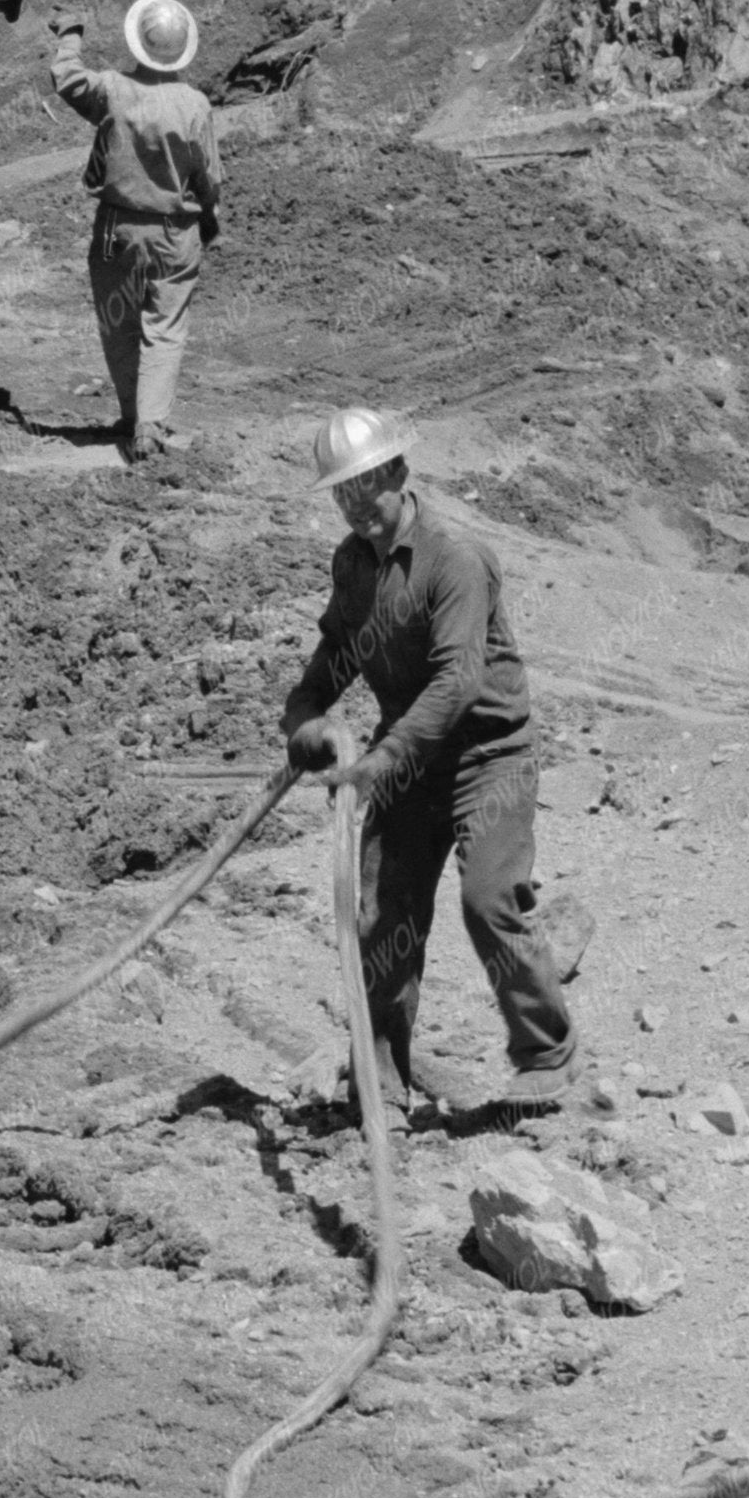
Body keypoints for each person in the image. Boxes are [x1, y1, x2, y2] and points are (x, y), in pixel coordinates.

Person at [280, 401, 577, 1118]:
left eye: (367, 486)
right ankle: (381, 1082)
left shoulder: (455, 558)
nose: (357, 506)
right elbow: (334, 657)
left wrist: (379, 761)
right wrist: (304, 716)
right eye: (342, 493)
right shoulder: (353, 565)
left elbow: (457, 682)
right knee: (383, 914)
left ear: (399, 472)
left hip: (487, 752)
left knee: (489, 899)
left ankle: (545, 1053)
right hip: (410, 761)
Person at [43, 0, 222, 456]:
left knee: (118, 320)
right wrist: (209, 215)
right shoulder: (195, 105)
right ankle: (151, 424)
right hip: (175, 232)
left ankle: (131, 415)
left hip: (116, 229)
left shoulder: (112, 90)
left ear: (137, 42)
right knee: (164, 326)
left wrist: (70, 37)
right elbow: (208, 176)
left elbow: (66, 79)